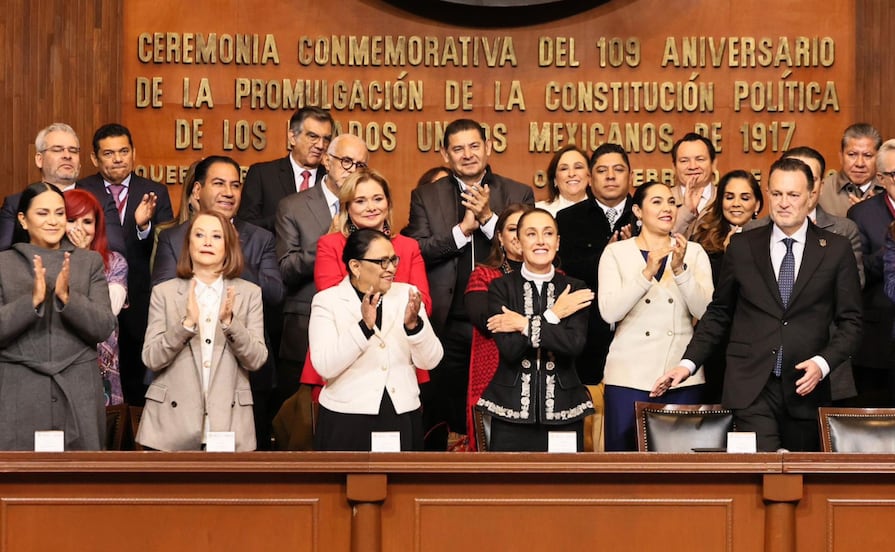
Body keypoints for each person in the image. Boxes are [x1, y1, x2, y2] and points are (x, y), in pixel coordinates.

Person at [652, 158, 862, 452]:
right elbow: (719, 313)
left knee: (801, 484)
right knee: (760, 476)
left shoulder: (835, 250)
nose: (784, 203)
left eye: (793, 195)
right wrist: (687, 364)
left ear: (811, 195)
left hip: (805, 385)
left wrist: (822, 363)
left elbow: (851, 322)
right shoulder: (742, 246)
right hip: (750, 386)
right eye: (777, 194)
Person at [403, 118, 534, 448]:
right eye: (458, 149)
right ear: (446, 155)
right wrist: (461, 231)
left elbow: (530, 249)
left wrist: (490, 221)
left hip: (505, 321)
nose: (468, 155)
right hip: (447, 324)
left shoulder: (517, 192)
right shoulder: (426, 196)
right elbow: (416, 250)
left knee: (500, 410)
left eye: (474, 146)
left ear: (488, 148)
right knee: (444, 414)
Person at [152, 155, 283, 449]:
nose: (229, 192)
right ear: (197, 191)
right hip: (181, 375)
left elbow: (274, 294)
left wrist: (234, 255)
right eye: (219, 183)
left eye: (235, 185)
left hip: (243, 381)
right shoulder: (173, 238)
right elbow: (162, 289)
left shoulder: (259, 238)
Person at [137, 211, 268, 451]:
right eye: (199, 235)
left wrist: (230, 323)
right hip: (170, 426)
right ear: (188, 244)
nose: (207, 242)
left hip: (229, 425)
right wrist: (185, 325)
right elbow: (151, 358)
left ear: (229, 246)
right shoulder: (164, 292)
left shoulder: (249, 293)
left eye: (216, 236)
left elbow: (256, 359)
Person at [598, 182, 714, 451]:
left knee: (682, 471)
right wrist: (646, 273)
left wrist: (680, 270)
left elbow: (705, 312)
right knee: (626, 469)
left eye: (672, 202)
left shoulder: (693, 252)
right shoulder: (616, 252)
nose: (667, 209)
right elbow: (609, 312)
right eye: (657, 202)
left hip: (682, 377)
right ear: (638, 211)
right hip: (629, 377)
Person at [0, 183, 116, 450]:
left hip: (79, 391)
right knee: (18, 484)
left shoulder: (89, 262)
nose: (53, 221)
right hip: (18, 390)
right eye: (42, 213)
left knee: (81, 483)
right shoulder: (4, 264)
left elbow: (103, 327)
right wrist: (31, 301)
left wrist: (68, 298)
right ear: (23, 220)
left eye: (60, 213)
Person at [746, 146, 864, 404]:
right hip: (761, 374)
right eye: (779, 191)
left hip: (824, 364)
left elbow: (851, 298)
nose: (786, 198)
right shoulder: (752, 233)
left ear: (816, 187)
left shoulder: (843, 232)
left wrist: (824, 360)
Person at [309, 229, 443, 451]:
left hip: (401, 412)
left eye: (393, 260)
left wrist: (414, 327)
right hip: (347, 418)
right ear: (355, 266)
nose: (391, 268)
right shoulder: (327, 301)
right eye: (382, 261)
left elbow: (431, 361)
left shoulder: (407, 294)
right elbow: (325, 365)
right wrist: (364, 328)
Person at [302, 169, 432, 391]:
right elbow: (335, 303)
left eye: (378, 199)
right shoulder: (330, 244)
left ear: (388, 203)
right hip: (344, 360)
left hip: (399, 360)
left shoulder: (408, 246)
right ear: (347, 207)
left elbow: (423, 305)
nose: (371, 207)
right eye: (360, 201)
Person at [476, 208, 595, 452]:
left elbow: (573, 345)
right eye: (531, 234)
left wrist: (523, 324)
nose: (541, 241)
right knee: (509, 488)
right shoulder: (501, 287)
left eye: (548, 233)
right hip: (510, 411)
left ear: (558, 242)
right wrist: (553, 315)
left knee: (563, 487)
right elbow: (510, 350)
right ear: (518, 243)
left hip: (565, 409)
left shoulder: (575, 287)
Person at [275, 134, 370, 423]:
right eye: (346, 161)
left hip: (363, 333)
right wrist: (329, 243)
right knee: (305, 426)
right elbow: (287, 268)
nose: (352, 170)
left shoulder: (370, 211)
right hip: (305, 329)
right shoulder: (293, 206)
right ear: (327, 161)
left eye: (360, 165)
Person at [77, 123, 174, 406]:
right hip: (94, 295)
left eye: (123, 151)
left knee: (136, 379)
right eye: (109, 153)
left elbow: (165, 246)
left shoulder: (155, 191)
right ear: (95, 159)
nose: (118, 158)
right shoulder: (83, 189)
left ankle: (132, 446)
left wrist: (143, 227)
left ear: (133, 153)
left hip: (140, 300)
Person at [555, 143, 637, 451]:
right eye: (602, 171)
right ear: (590, 178)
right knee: (588, 433)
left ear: (631, 175)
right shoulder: (569, 218)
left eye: (618, 170)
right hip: (588, 338)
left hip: (636, 339)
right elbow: (567, 274)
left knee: (630, 435)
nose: (611, 177)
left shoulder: (644, 213)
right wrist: (609, 255)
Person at [0, 123, 125, 253]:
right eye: (57, 150)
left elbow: (117, 254)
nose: (67, 156)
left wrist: (84, 254)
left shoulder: (101, 201)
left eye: (73, 150)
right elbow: (3, 256)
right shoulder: (15, 204)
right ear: (39, 159)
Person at [464, 203, 528, 450]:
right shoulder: (483, 275)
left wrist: (513, 319)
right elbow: (486, 320)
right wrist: (539, 320)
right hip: (493, 379)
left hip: (541, 378)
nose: (520, 235)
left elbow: (563, 333)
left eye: (528, 229)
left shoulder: (559, 276)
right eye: (513, 229)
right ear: (499, 236)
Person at [64, 189, 128, 406]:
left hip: (102, 370)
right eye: (71, 220)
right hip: (60, 364)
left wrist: (83, 259)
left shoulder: (115, 263)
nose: (80, 228)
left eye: (87, 221)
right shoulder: (47, 263)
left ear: (97, 226)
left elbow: (107, 311)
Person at [846, 138, 895, 404]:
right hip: (880, 340)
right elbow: (858, 272)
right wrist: (892, 246)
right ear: (881, 178)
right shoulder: (861, 214)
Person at [239, 107, 335, 233]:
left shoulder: (332, 179)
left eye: (326, 139)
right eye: (313, 136)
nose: (320, 145)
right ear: (292, 137)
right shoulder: (262, 175)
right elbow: (246, 227)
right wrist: (290, 217)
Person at [691, 170, 764, 283]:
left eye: (745, 198)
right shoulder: (702, 240)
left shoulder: (768, 238)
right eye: (729, 197)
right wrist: (728, 257)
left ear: (757, 205)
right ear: (720, 202)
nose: (736, 204)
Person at [819, 123, 884, 218]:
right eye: (852, 154)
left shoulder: (890, 188)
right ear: (841, 157)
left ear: (879, 158)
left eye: (867, 155)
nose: (859, 164)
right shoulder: (822, 191)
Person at [670, 133, 718, 236]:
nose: (692, 166)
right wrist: (686, 211)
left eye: (700, 159)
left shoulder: (725, 199)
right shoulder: (662, 200)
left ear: (713, 164)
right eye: (684, 161)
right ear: (674, 167)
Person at [536, 145, 589, 216]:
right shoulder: (538, 211)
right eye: (564, 169)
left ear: (589, 176)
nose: (571, 174)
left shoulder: (604, 210)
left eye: (578, 167)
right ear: (555, 179)